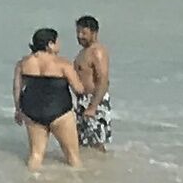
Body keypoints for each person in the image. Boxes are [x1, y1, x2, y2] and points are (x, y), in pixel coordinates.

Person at [14, 27, 84, 170]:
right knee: (72, 156)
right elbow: (78, 89)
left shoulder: (23, 63)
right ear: (50, 44)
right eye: (57, 42)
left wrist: (18, 110)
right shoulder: (63, 64)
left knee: (36, 155)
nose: (59, 45)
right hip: (60, 112)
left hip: (32, 112)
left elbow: (17, 89)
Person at [73, 15, 114, 152]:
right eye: (78, 32)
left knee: (97, 143)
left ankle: (103, 169)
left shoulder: (97, 51)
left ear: (94, 33)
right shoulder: (83, 52)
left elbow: (103, 81)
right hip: (83, 101)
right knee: (83, 142)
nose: (79, 36)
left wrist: (93, 106)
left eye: (84, 33)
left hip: (95, 100)